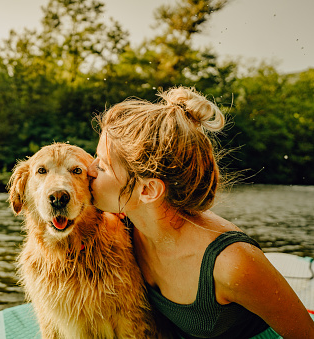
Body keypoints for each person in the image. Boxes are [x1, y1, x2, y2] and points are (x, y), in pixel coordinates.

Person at [87, 86, 314, 339]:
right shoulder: (123, 227)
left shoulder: (232, 262)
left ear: (148, 190)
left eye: (103, 165)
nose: (90, 169)